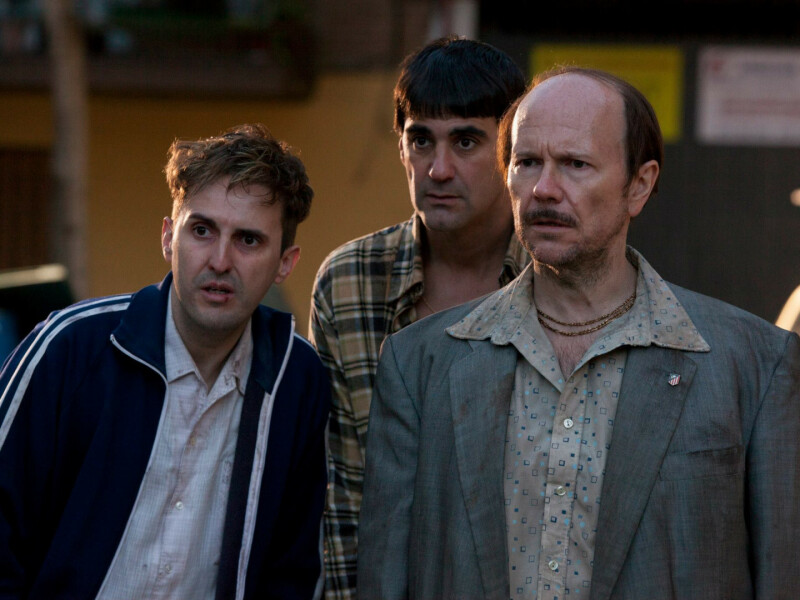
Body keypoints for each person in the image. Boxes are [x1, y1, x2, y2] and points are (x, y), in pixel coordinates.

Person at [357, 66, 800, 599]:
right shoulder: (418, 364)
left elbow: (782, 575)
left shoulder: (755, 365)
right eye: (527, 163)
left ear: (639, 185)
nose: (544, 189)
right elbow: (384, 578)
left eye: (575, 164)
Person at [0, 124, 330, 599]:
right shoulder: (70, 348)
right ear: (168, 237)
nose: (220, 261)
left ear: (285, 262)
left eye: (248, 240)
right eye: (202, 230)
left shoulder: (295, 381)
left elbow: (292, 569)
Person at [308, 35, 529, 599]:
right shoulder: (351, 281)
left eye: (466, 141)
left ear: (512, 151)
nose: (439, 169)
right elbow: (342, 497)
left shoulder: (551, 278)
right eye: (421, 140)